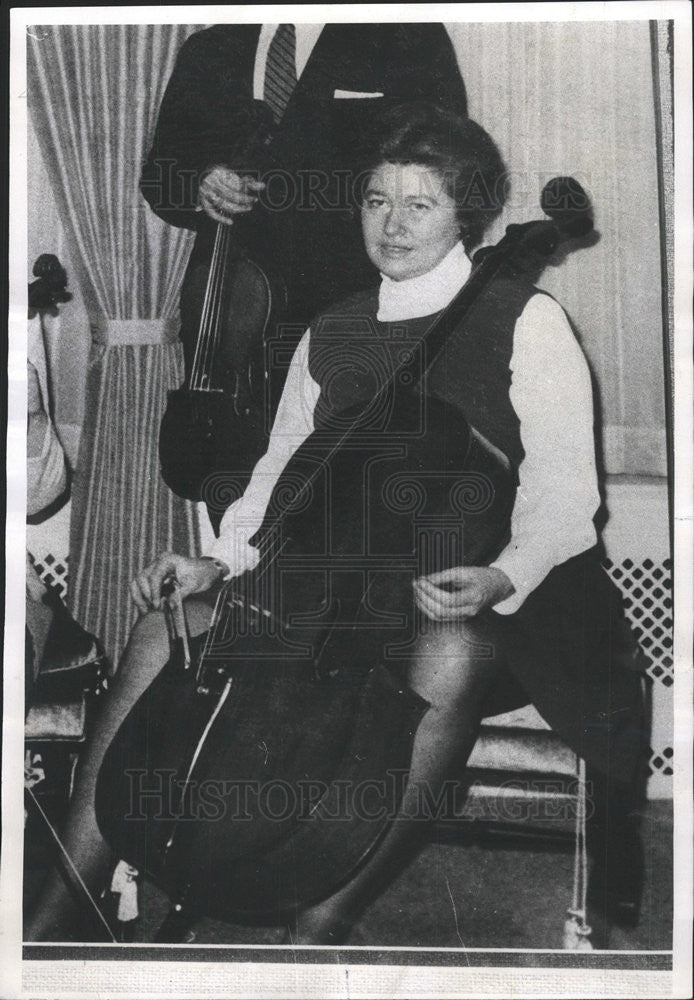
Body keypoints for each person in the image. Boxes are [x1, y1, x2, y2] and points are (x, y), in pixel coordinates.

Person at [26, 104, 645, 945]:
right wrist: (220, 560)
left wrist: (503, 574)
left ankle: (318, 924)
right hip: (332, 585)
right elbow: (283, 470)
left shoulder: (524, 319)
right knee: (164, 630)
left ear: (466, 212)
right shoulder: (333, 327)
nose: (391, 224)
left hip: (486, 589)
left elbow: (565, 493)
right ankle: (63, 904)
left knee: (450, 650)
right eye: (375, 200)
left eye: (419, 204)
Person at [142, 24, 468, 513]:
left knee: (349, 505)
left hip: (348, 311)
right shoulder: (211, 46)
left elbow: (444, 161)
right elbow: (160, 173)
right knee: (235, 502)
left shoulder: (409, 35)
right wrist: (200, 181)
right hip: (234, 323)